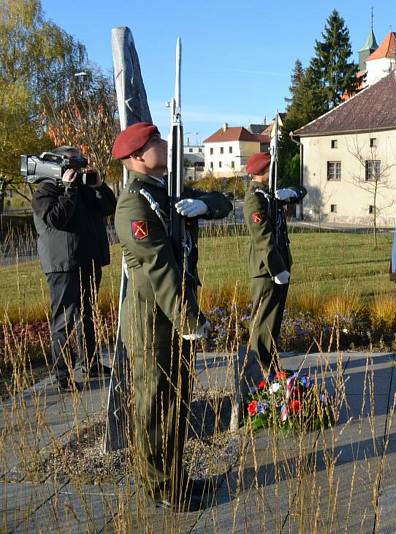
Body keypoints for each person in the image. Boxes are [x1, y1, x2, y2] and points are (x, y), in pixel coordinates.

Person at [112, 122, 232, 512]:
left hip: (174, 315)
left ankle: (175, 474)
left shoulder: (166, 192)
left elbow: (223, 203)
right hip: (153, 319)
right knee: (154, 402)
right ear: (137, 157)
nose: (164, 145)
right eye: (156, 142)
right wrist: (189, 318)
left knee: (177, 401)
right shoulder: (134, 204)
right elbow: (159, 266)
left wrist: (204, 205)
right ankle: (159, 486)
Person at [31, 146, 116, 392]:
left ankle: (90, 363)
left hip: (89, 260)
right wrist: (68, 190)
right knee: (64, 322)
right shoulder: (45, 192)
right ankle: (62, 376)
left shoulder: (84, 189)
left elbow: (109, 208)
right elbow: (57, 219)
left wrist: (99, 186)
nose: (76, 172)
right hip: (63, 265)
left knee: (88, 315)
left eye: (79, 168)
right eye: (72, 167)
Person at [243, 152, 294, 375]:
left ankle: (271, 366)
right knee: (263, 323)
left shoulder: (268, 195)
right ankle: (262, 372)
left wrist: (291, 194)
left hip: (277, 268)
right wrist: (277, 268)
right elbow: (262, 236)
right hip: (267, 271)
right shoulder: (255, 198)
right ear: (263, 171)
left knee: (272, 323)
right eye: (271, 168)